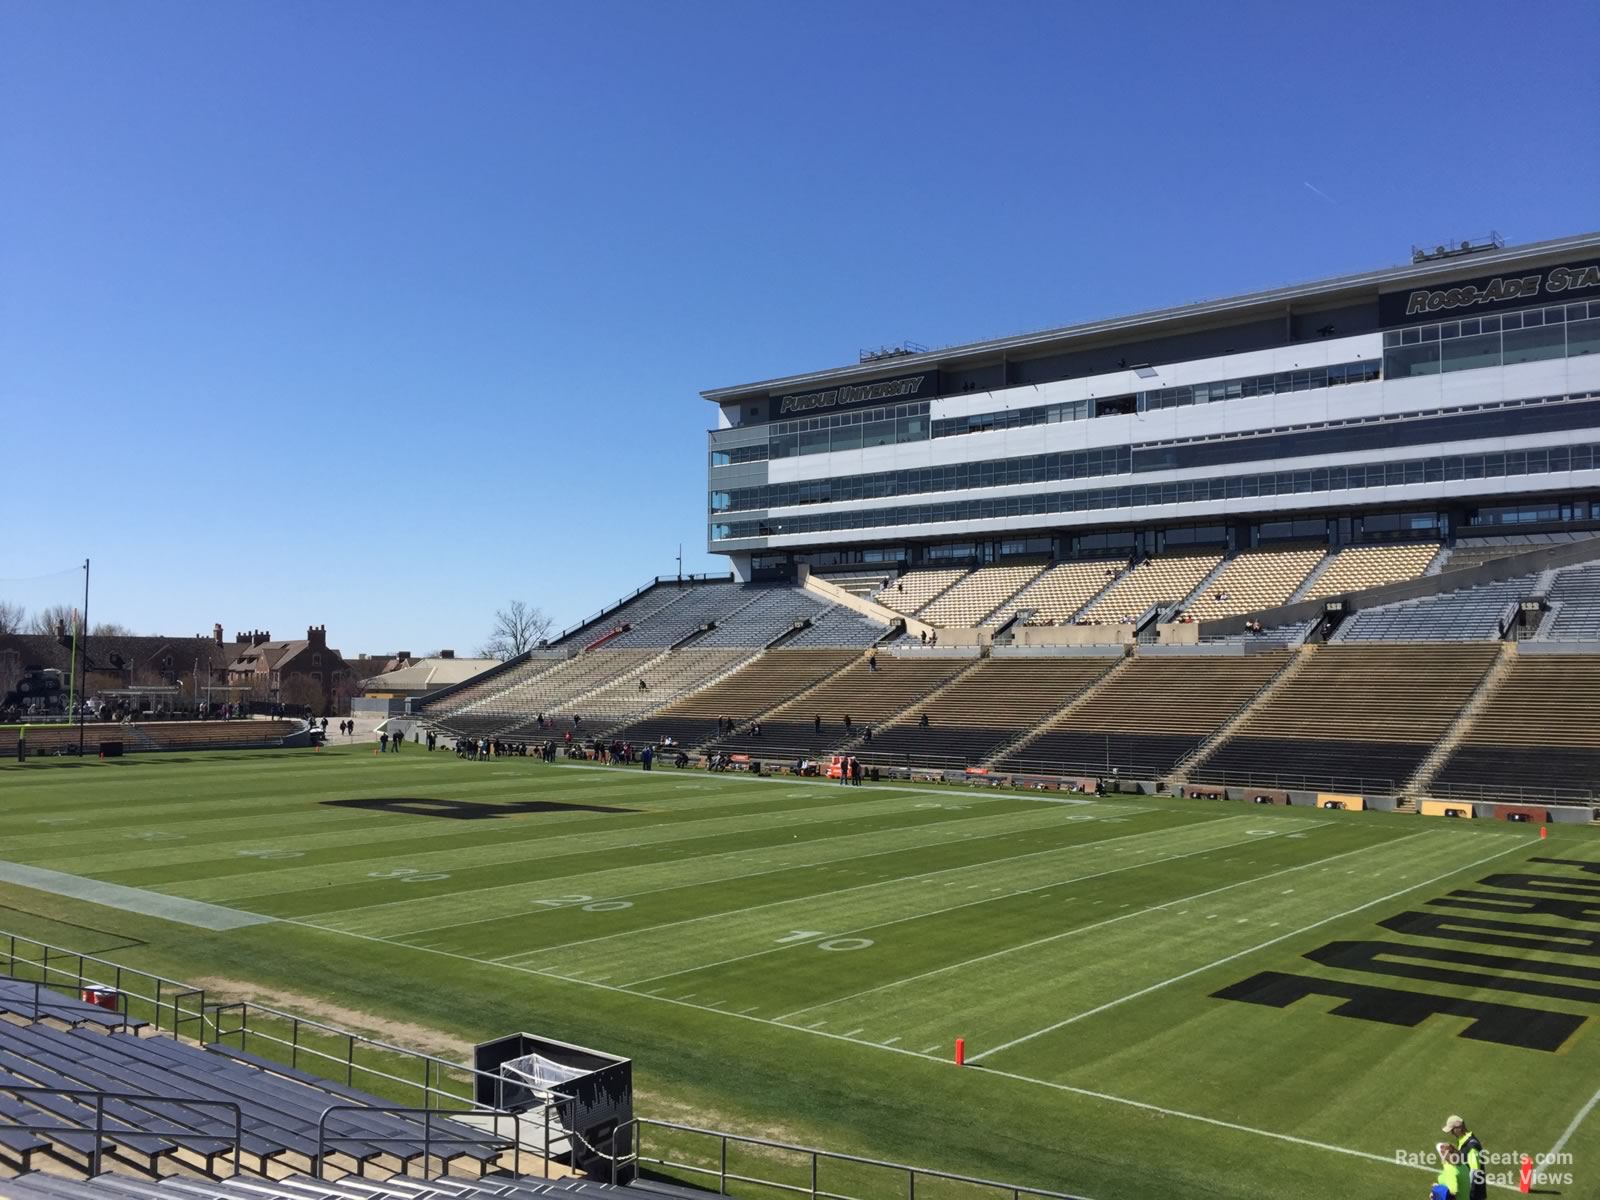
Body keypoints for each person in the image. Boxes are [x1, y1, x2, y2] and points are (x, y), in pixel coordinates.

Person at [1444, 1117, 1485, 1200]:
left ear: (1459, 1129)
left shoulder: (1472, 1147)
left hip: (1472, 1194)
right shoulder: (1464, 1140)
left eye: (1452, 1130)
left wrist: (1466, 1192)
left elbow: (1474, 1172)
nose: (1451, 1133)